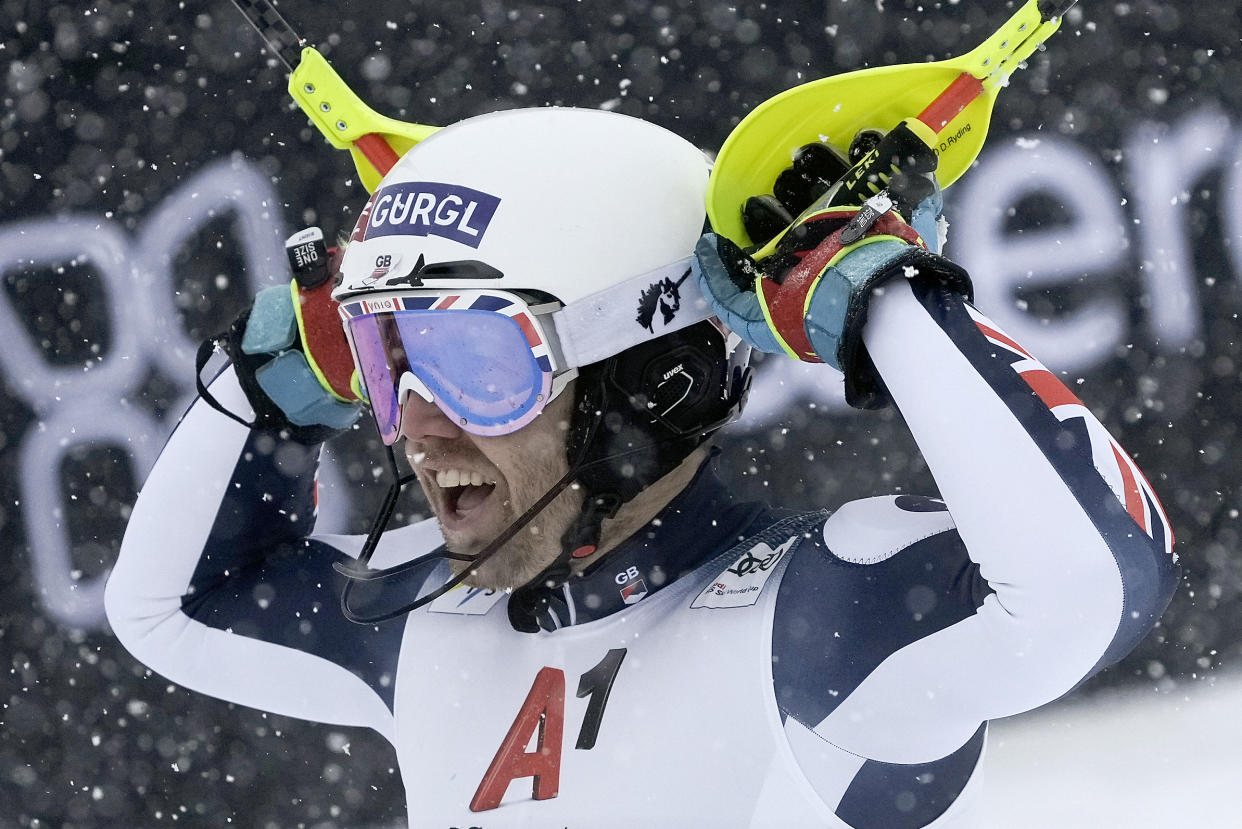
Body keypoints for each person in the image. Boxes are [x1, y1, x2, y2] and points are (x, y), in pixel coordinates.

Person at [105, 106, 1178, 828]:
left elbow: (1088, 585)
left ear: (651, 378)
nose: (417, 431)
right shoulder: (424, 625)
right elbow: (168, 605)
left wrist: (894, 301)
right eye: (391, 363)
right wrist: (255, 392)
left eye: (477, 363)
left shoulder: (817, 620)